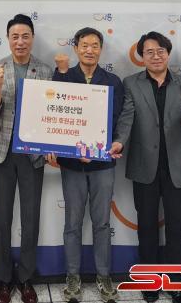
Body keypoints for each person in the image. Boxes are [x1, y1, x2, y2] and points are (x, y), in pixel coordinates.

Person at [110, 32, 181, 303]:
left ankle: (177, 283)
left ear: (168, 53)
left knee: (177, 227)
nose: (156, 56)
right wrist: (119, 142)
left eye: (161, 51)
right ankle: (149, 280)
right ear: (142, 56)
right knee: (146, 225)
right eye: (149, 52)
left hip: (176, 166)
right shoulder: (131, 83)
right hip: (144, 165)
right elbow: (127, 118)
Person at [48, 27, 124, 303]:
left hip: (102, 163)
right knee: (72, 223)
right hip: (72, 164)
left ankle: (104, 276)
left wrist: (112, 144)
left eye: (94, 45)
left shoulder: (113, 81)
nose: (89, 50)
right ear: (76, 48)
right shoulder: (64, 77)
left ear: (101, 50)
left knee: (102, 223)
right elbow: (54, 117)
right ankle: (73, 276)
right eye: (84, 45)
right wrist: (58, 149)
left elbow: (118, 119)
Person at [0, 14, 53, 303]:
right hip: (2, 153)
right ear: (8, 39)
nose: (20, 41)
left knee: (30, 217)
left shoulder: (45, 70)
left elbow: (51, 114)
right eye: (15, 36)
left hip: (32, 154)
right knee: (1, 218)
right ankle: (3, 278)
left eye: (25, 36)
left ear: (32, 38)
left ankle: (25, 278)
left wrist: (50, 146)